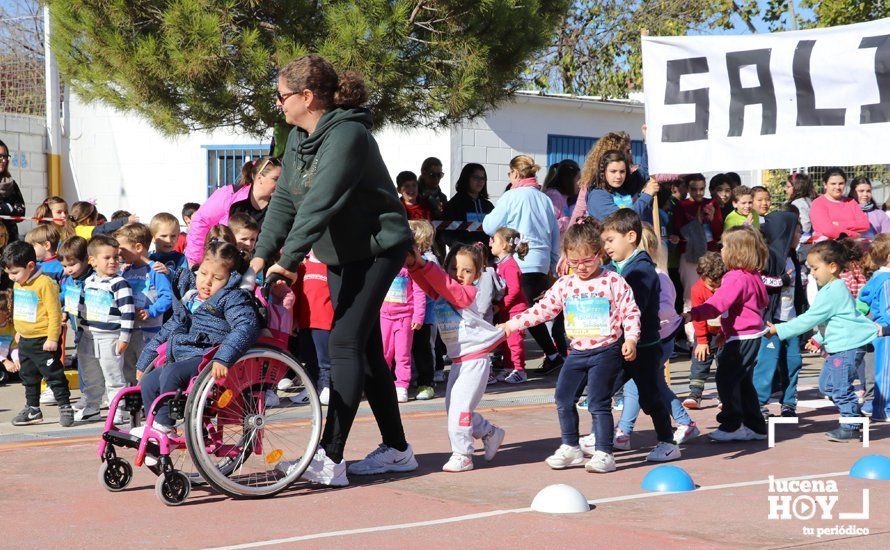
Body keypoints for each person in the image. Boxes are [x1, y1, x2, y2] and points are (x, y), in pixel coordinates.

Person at [252, 54, 418, 485]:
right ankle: (398, 450)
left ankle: (331, 458)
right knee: (361, 350)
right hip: (341, 253)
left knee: (342, 343)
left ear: (307, 97)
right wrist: (259, 257)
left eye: (282, 96)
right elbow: (285, 203)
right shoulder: (296, 139)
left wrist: (287, 262)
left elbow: (321, 202)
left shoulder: (348, 134)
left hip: (380, 247)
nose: (279, 105)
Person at [502, 218, 641, 472]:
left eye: (587, 261)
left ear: (599, 255)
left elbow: (630, 312)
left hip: (606, 350)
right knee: (563, 398)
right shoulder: (565, 284)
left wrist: (631, 338)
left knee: (598, 402)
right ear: (566, 257)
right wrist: (514, 323)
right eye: (575, 262)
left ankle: (604, 453)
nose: (582, 267)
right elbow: (543, 309)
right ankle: (571, 447)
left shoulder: (613, 281)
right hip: (576, 352)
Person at [136, 241, 260, 435]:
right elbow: (170, 328)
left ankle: (164, 427)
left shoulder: (234, 298)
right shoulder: (190, 297)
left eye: (217, 277)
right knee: (150, 381)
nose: (207, 282)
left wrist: (223, 357)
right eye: (203, 273)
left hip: (210, 357)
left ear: (230, 278)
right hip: (185, 353)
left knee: (172, 373)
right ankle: (154, 426)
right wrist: (145, 360)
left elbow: (246, 326)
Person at [409, 244, 506, 472]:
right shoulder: (443, 293)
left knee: (459, 409)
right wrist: (413, 265)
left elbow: (447, 286)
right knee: (454, 407)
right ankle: (489, 432)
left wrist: (424, 264)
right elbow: (426, 282)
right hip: (460, 361)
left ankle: (463, 454)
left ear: (478, 275)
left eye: (467, 270)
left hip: (475, 359)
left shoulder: (468, 293)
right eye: (453, 268)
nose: (459, 275)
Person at [767, 240, 878, 441]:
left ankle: (851, 424)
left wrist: (778, 329)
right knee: (827, 386)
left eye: (816, 268)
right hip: (839, 346)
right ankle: (854, 414)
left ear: (833, 267)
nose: (813, 273)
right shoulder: (830, 289)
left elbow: (811, 318)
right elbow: (834, 321)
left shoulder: (834, 290)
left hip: (847, 347)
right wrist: (819, 339)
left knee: (840, 388)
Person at [598, 210, 680, 461]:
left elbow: (635, 306)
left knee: (651, 396)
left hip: (644, 346)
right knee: (601, 392)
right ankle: (599, 439)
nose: (606, 246)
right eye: (604, 241)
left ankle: (667, 442)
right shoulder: (613, 268)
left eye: (611, 240)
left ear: (631, 236)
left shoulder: (641, 270)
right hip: (620, 345)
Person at [610, 224, 699, 450]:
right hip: (644, 340)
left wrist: (646, 317)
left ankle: (623, 431)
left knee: (636, 385)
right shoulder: (624, 273)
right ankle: (684, 422)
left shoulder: (657, 276)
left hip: (658, 340)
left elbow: (667, 310)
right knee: (654, 384)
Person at [482, 155, 565, 371]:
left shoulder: (512, 196)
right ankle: (551, 354)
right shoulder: (544, 199)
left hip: (518, 261)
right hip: (541, 261)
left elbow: (489, 226)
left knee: (518, 311)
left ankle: (540, 356)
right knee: (532, 309)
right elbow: (554, 232)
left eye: (509, 174)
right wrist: (553, 262)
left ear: (515, 174)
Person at [687, 226, 769, 442]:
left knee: (726, 379)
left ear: (735, 251)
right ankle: (756, 426)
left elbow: (717, 304)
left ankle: (732, 424)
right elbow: (756, 304)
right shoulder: (753, 275)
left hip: (742, 338)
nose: (721, 250)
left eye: (724, 246)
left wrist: (693, 314)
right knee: (742, 382)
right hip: (749, 335)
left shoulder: (735, 277)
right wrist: (725, 330)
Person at [3, 241, 73, 427]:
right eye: (8, 273)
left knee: (53, 375)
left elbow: (54, 313)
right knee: (28, 376)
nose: (12, 277)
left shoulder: (45, 284)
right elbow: (20, 310)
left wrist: (52, 338)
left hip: (43, 340)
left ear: (30, 266)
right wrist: (18, 332)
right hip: (25, 340)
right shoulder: (19, 284)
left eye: (15, 272)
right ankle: (33, 409)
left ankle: (65, 406)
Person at [77, 235, 135, 424]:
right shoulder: (89, 282)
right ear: (92, 261)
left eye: (115, 257)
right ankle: (92, 407)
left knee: (113, 376)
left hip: (110, 337)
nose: (112, 261)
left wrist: (124, 338)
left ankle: (118, 409)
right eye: (107, 258)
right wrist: (79, 328)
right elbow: (82, 307)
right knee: (90, 374)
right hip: (88, 337)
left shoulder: (120, 283)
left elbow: (128, 312)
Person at [185, 156, 281, 267]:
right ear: (259, 178)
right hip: (222, 265)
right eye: (276, 179)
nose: (281, 184)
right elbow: (201, 221)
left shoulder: (279, 206)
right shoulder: (230, 195)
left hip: (258, 270)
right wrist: (196, 262)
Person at [754, 211, 804, 419]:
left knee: (792, 361)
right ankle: (758, 403)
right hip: (771, 320)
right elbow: (759, 281)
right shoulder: (768, 256)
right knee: (767, 362)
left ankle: (789, 402)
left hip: (791, 320)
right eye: (797, 231)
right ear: (785, 232)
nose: (800, 235)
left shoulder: (793, 256)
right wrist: (781, 280)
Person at [115, 223, 174, 385]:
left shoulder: (155, 271)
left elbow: (167, 296)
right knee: (128, 368)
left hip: (150, 332)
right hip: (129, 330)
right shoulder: (126, 271)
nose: (119, 252)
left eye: (122, 248)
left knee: (147, 368)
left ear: (139, 247)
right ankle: (131, 400)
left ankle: (146, 399)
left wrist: (151, 311)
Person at [670, 173, 723, 310]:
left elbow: (718, 234)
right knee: (691, 296)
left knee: (713, 292)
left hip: (710, 254)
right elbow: (678, 231)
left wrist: (713, 220)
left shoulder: (712, 203)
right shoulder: (682, 206)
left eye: (701, 189)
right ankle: (692, 328)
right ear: (687, 189)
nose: (698, 193)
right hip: (690, 256)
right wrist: (696, 222)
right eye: (694, 189)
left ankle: (712, 327)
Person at [291, 250, 334, 405]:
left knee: (324, 359)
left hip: (324, 321)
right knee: (309, 357)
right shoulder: (303, 266)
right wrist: (294, 318)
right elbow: (296, 292)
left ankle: (327, 386)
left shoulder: (332, 264)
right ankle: (311, 389)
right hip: (305, 321)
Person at [380, 253, 426, 403]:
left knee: (402, 354)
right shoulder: (383, 265)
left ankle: (401, 386)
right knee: (384, 353)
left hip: (405, 318)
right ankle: (383, 385)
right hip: (384, 317)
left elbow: (419, 292)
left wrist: (418, 316)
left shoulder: (411, 269)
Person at [683, 252, 726, 409]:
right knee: (700, 361)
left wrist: (724, 333)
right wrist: (701, 340)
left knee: (725, 364)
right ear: (702, 277)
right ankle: (695, 393)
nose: (714, 289)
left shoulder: (727, 287)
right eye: (711, 285)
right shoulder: (697, 289)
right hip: (705, 332)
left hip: (724, 333)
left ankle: (725, 396)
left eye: (717, 285)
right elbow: (698, 316)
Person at [490, 227, 530, 384]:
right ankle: (509, 368)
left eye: (494, 239)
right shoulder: (501, 264)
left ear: (505, 245)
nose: (491, 242)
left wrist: (501, 306)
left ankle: (520, 370)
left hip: (515, 310)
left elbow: (514, 290)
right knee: (505, 341)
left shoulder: (510, 266)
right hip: (507, 310)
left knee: (514, 341)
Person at [57, 237, 93, 408]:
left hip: (96, 329)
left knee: (101, 364)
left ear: (87, 259)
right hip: (78, 329)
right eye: (64, 266)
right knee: (83, 363)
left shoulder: (93, 278)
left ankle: (106, 395)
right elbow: (64, 296)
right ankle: (87, 395)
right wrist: (63, 309)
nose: (68, 270)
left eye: (72, 265)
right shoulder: (70, 280)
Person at [859, 233, 890, 422]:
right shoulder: (886, 280)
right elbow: (887, 310)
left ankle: (879, 406)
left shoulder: (876, 277)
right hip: (885, 332)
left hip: (880, 330)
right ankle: (883, 408)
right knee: (885, 371)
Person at [407, 220, 438, 401]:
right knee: (408, 350)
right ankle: (412, 378)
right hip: (407, 314)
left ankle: (427, 381)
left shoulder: (429, 260)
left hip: (424, 316)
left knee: (423, 349)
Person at [585, 150, 658, 222]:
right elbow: (623, 220)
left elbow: (645, 169)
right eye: (613, 171)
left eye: (622, 171)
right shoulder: (597, 196)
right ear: (603, 172)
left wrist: (648, 144)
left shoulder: (624, 186)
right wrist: (647, 195)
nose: (618, 176)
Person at [810, 167, 869, 241]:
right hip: (827, 248)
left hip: (851, 247)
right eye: (833, 184)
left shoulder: (851, 202)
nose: (837, 187)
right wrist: (854, 234)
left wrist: (839, 224)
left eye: (841, 183)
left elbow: (865, 225)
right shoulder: (818, 203)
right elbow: (828, 230)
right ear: (825, 184)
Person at [444, 163, 494, 247]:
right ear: (466, 178)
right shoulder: (455, 204)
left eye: (483, 178)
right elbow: (447, 235)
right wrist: (467, 245)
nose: (480, 181)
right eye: (476, 177)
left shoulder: (488, 205)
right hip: (464, 255)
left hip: (487, 256)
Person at [542, 159, 580, 233]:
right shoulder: (554, 195)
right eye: (578, 179)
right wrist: (570, 222)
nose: (580, 183)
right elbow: (546, 224)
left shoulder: (565, 197)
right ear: (568, 180)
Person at [0, 139, 27, 242]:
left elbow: (21, 212)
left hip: (9, 241)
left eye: (5, 157)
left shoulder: (10, 183)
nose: (3, 160)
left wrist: (3, 208)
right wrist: (9, 208)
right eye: (0, 157)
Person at [148, 212, 189, 279]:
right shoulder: (147, 257)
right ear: (153, 237)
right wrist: (128, 268)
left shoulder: (180, 258)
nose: (169, 240)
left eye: (173, 236)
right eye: (164, 236)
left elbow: (185, 278)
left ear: (178, 236)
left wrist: (168, 272)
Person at [70, 201, 135, 240]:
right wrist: (125, 220)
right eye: (96, 219)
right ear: (88, 221)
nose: (97, 223)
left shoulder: (72, 229)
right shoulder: (84, 230)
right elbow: (103, 228)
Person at [0, 291, 15, 386]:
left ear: (6, 313)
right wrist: (5, 361)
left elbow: (15, 347)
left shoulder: (12, 327)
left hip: (5, 359)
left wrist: (17, 361)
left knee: (23, 371)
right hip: (2, 360)